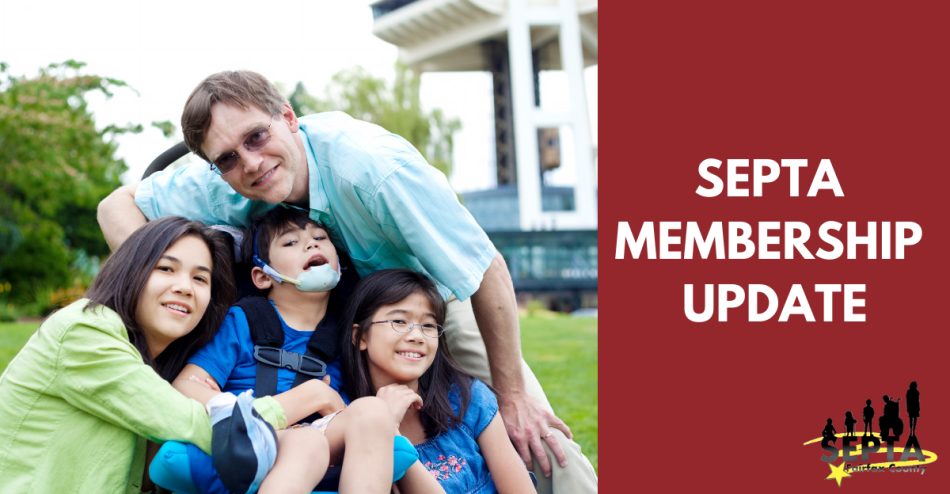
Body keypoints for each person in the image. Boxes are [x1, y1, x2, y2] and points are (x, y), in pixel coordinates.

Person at [97, 69, 596, 491]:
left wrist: (511, 393)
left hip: (425, 294)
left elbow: (485, 268)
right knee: (382, 425)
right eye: (226, 158)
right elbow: (114, 206)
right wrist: (181, 281)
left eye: (256, 137)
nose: (249, 162)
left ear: (289, 118)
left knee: (524, 420)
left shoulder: (375, 168)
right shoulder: (222, 184)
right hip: (332, 317)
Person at [171, 207, 441, 493]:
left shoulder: (344, 336)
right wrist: (308, 397)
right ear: (263, 276)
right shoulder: (243, 321)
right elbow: (185, 386)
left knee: (372, 410)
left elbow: (351, 414)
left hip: (319, 438)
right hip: (251, 438)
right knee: (307, 443)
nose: (311, 244)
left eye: (320, 237)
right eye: (291, 242)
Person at [0, 217, 279, 493]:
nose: (185, 287)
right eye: (166, 268)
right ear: (130, 270)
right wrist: (305, 407)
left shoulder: (153, 367)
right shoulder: (83, 332)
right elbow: (200, 425)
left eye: (200, 278)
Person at [342, 269, 537, 494]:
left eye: (428, 326)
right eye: (399, 321)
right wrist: (386, 429)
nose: (417, 336)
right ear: (360, 337)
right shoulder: (347, 419)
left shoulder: (467, 397)